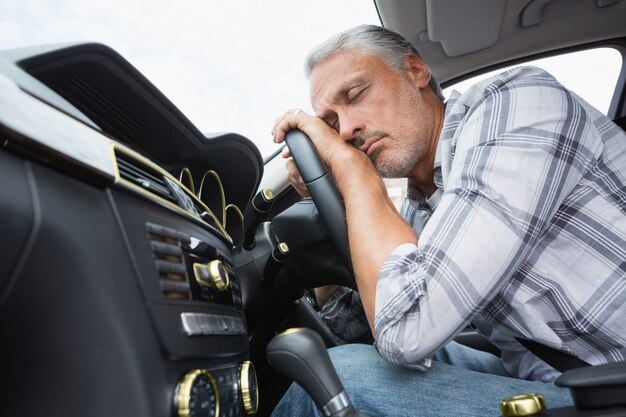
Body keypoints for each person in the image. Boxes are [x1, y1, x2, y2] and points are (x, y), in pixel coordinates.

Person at [270, 24, 626, 416]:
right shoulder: (420, 209)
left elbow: (405, 331)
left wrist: (354, 173)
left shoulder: (515, 105)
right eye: (332, 125)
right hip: (544, 376)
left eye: (356, 95)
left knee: (338, 379)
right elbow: (352, 324)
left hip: (609, 382)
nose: (348, 130)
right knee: (354, 357)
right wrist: (333, 201)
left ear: (415, 70)